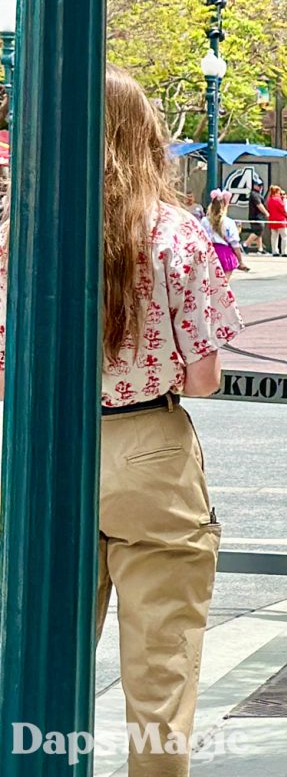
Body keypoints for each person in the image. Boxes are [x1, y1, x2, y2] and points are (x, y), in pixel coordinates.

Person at [0, 64, 243, 775]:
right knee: (161, 664)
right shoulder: (177, 234)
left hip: (45, 446)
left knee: (38, 652)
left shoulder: (25, 229)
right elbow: (203, 377)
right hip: (150, 452)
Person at [207, 189, 247, 275]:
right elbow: (235, 245)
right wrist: (240, 261)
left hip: (209, 254)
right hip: (225, 254)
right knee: (223, 286)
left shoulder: (204, 221)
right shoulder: (229, 222)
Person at [265, 186, 287, 257]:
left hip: (272, 220)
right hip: (280, 220)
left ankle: (275, 251)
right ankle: (284, 251)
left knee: (274, 236)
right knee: (284, 236)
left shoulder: (270, 200)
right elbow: (283, 208)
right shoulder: (278, 200)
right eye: (279, 192)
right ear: (276, 192)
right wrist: (284, 200)